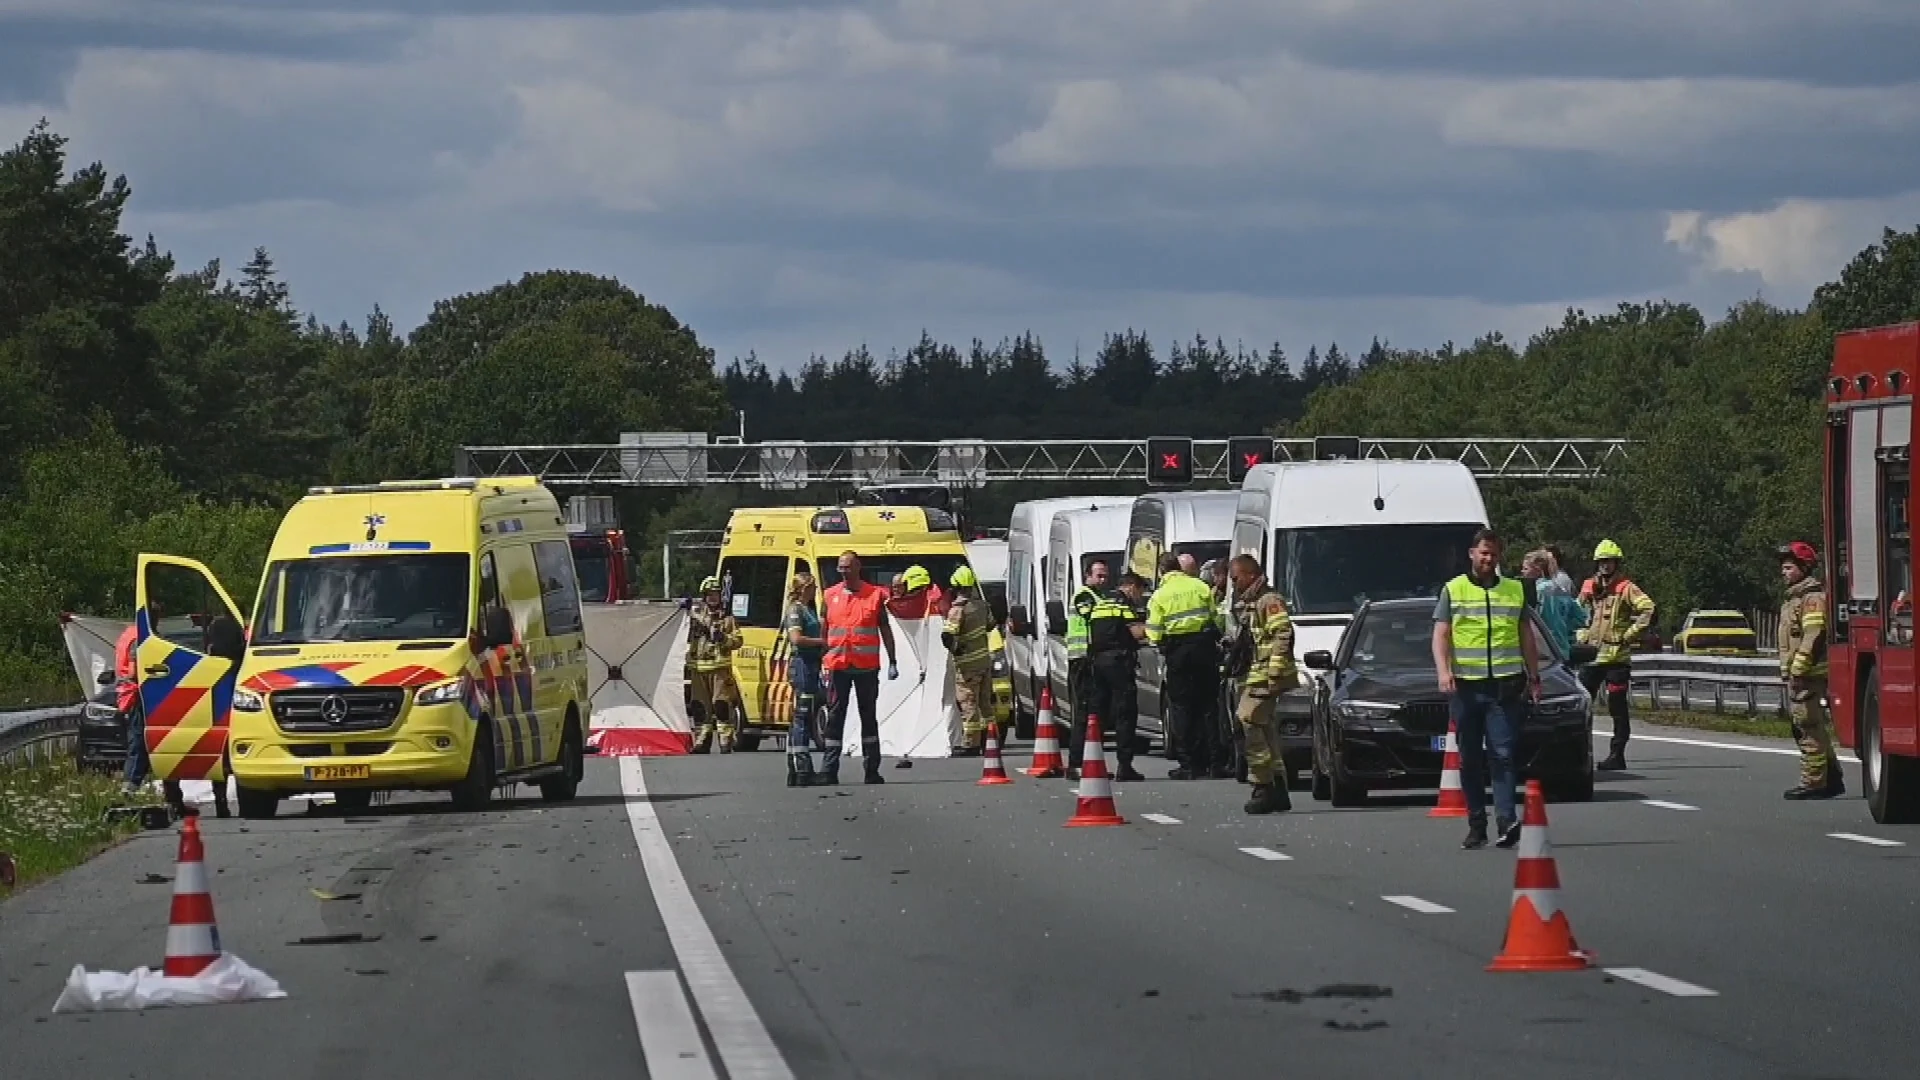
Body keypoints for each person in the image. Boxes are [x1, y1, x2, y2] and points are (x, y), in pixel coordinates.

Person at [1433, 528, 1543, 850]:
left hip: (1505, 686)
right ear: (1472, 554)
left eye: (1493, 554)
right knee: (1469, 758)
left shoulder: (1514, 590)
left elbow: (1526, 636)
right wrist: (1444, 672)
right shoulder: (1454, 590)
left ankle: (1507, 820)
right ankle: (1476, 823)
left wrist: (1534, 677)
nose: (1488, 558)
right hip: (1467, 687)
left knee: (1504, 754)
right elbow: (1441, 635)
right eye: (1483, 552)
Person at [119, 603, 228, 817]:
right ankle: (130, 792)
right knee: (144, 745)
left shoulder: (131, 633)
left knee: (159, 745)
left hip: (135, 695)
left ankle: (173, 801)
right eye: (158, 616)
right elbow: (134, 670)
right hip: (139, 696)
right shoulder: (142, 637)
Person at [820, 552, 899, 785]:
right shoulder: (830, 595)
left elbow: (885, 629)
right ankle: (829, 769)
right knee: (835, 717)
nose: (844, 571)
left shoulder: (874, 595)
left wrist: (893, 660)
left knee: (868, 717)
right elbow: (824, 631)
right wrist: (821, 658)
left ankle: (872, 769)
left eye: (848, 567)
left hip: (866, 668)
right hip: (838, 665)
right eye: (840, 567)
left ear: (858, 568)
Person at [1577, 539, 1656, 771]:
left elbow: (1648, 609)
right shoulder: (1588, 586)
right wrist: (1581, 635)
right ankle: (1580, 753)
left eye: (1609, 562)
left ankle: (1617, 754)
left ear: (1616, 563)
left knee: (1617, 709)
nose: (1605, 566)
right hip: (1592, 656)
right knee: (1581, 706)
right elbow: (1576, 613)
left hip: (1617, 659)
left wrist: (1629, 635)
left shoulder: (1626, 587)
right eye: (1601, 562)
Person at [1228, 554, 1296, 814]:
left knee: (1248, 720)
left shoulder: (1269, 601)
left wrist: (1276, 671)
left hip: (1268, 676)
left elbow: (1283, 632)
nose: (1234, 585)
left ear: (1250, 575)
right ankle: (1278, 787)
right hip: (1257, 675)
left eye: (1236, 578)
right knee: (1265, 729)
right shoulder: (1252, 603)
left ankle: (1262, 784)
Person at [1777, 542, 1843, 800]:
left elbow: (1813, 635)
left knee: (1807, 726)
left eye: (1789, 567)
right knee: (1810, 726)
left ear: (1804, 568)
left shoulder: (1811, 598)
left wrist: (1799, 669)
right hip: (1801, 674)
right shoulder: (1795, 598)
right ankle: (1832, 778)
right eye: (1783, 568)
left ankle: (1814, 783)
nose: (1784, 572)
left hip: (1807, 675)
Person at [1146, 552, 1220, 780]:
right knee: (1208, 708)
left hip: (1178, 653)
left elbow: (1154, 633)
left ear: (1161, 571)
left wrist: (1160, 642)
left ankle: (1188, 765)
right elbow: (1214, 618)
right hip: (1204, 650)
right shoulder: (1200, 586)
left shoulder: (1159, 596)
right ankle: (1215, 763)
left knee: (1181, 708)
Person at [1085, 572, 1149, 781]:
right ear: (1130, 587)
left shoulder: (1101, 603)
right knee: (1125, 712)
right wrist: (1154, 628)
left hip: (1097, 662)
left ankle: (1094, 763)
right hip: (1118, 663)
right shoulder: (1123, 604)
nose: (1140, 596)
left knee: (1099, 715)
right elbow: (1137, 632)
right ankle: (1124, 765)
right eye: (1140, 590)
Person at [687, 575, 745, 754]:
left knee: (721, 704)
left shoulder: (727, 618)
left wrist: (723, 638)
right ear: (704, 597)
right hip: (698, 668)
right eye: (709, 594)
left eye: (716, 594)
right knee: (700, 706)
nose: (713, 597)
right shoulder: (695, 617)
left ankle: (725, 739)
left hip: (720, 670)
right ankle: (702, 739)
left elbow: (738, 641)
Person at [1063, 560, 1109, 779]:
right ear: (1087, 576)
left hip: (1091, 661)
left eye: (1105, 576)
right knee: (1084, 714)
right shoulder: (1084, 596)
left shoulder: (1098, 597)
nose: (1103, 579)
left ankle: (1091, 763)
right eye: (1098, 575)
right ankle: (1075, 764)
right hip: (1081, 660)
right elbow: (1094, 621)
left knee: (1094, 714)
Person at [944, 566, 996, 755]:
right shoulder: (982, 605)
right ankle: (991, 740)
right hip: (984, 662)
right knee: (986, 705)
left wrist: (957, 648)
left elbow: (947, 636)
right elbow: (991, 625)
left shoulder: (958, 609)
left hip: (967, 666)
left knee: (968, 703)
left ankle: (971, 744)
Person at [782, 571, 826, 787]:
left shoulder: (809, 609)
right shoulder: (795, 610)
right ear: (803, 588)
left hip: (811, 665)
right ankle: (802, 769)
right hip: (802, 665)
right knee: (802, 716)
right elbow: (796, 638)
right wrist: (821, 642)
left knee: (803, 716)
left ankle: (795, 767)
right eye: (812, 586)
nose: (815, 590)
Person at [1523, 549, 1587, 656]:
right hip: (1563, 649)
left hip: (1545, 652)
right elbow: (1580, 618)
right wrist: (1565, 629)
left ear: (1538, 570)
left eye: (1525, 569)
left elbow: (1536, 622)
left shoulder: (1538, 591)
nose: (1522, 572)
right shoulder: (1561, 590)